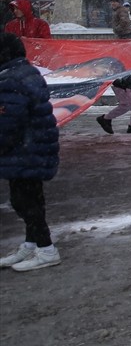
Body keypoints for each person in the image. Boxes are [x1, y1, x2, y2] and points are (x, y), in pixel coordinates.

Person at [0, 32, 62, 272]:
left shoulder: (10, 80)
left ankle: (46, 249)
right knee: (31, 198)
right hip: (33, 148)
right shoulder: (23, 72)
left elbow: (7, 122)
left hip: (25, 151)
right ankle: (31, 243)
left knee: (24, 201)